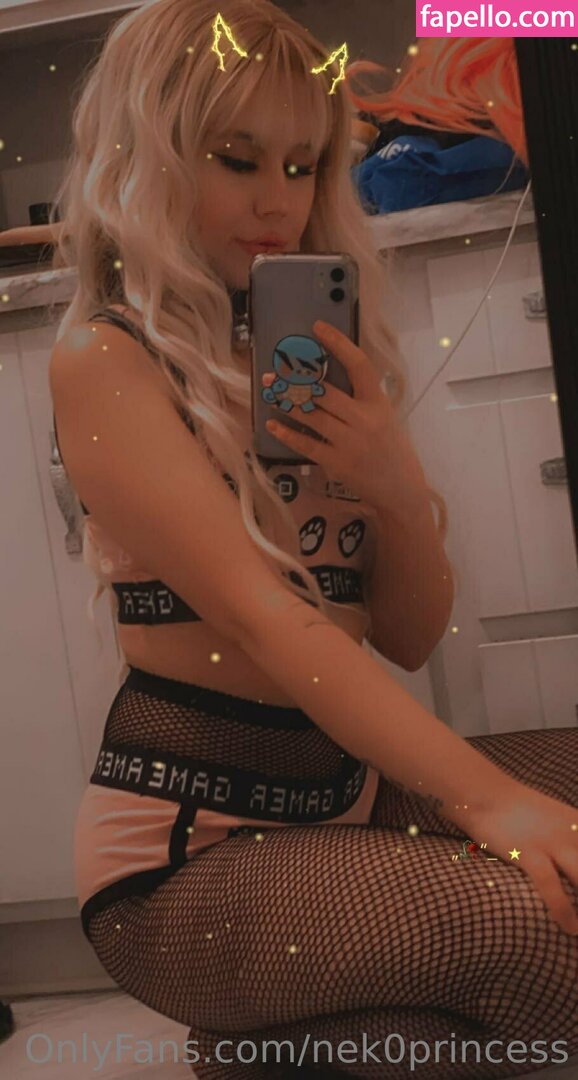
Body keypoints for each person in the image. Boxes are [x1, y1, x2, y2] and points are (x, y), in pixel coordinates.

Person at [47, 0, 577, 1076]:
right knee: (535, 922)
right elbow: (267, 622)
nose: (277, 201)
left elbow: (409, 637)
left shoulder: (308, 352)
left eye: (303, 165)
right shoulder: (107, 359)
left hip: (348, 804)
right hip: (183, 862)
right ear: (146, 154)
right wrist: (490, 802)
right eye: (238, 158)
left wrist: (396, 488)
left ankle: (281, 1046)